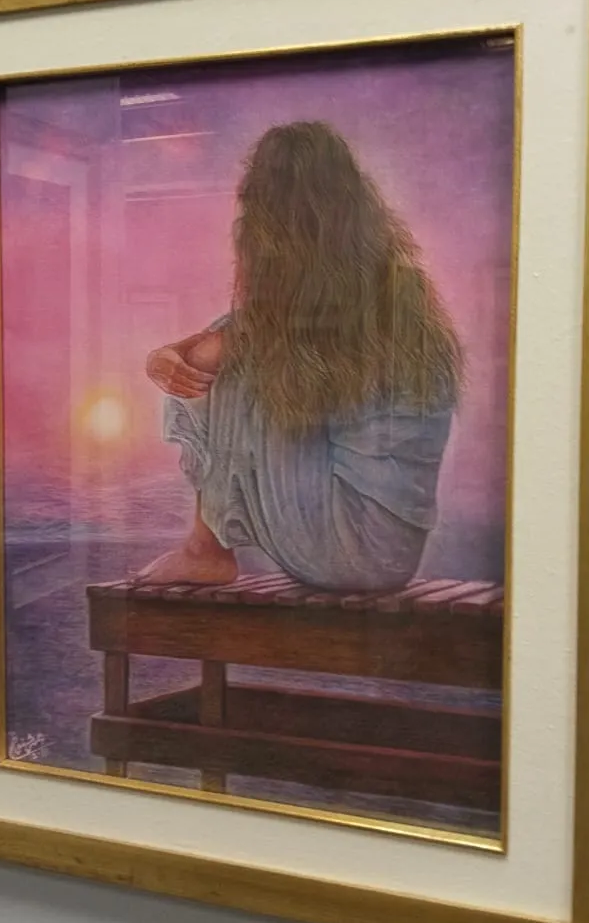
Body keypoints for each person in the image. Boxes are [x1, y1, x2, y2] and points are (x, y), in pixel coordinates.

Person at [141, 120, 463, 592]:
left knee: (223, 365)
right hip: (394, 554)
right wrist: (164, 356)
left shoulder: (312, 316)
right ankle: (203, 549)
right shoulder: (394, 290)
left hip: (345, 544)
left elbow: (214, 352)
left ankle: (205, 551)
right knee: (233, 346)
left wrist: (173, 357)